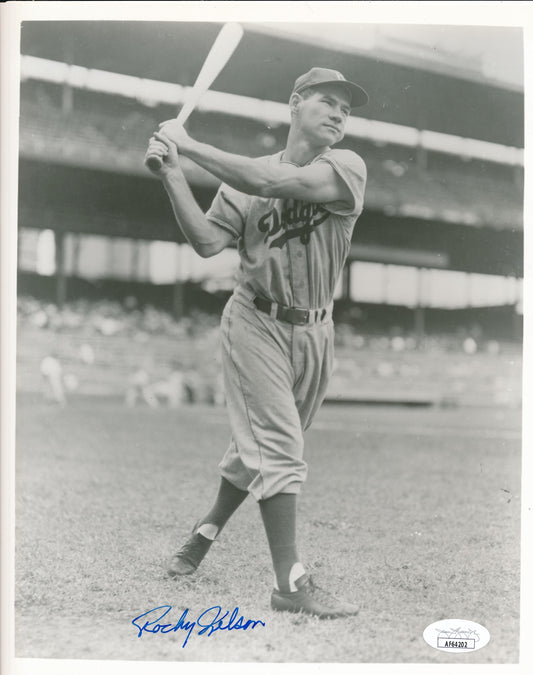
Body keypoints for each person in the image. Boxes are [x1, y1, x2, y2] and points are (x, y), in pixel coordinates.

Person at [145, 67, 368, 618]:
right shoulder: (241, 180)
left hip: (317, 330)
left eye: (346, 108)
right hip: (255, 320)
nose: (340, 114)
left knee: (259, 451)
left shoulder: (346, 167)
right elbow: (204, 242)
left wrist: (187, 142)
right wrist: (173, 171)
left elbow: (268, 184)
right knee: (279, 449)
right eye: (328, 101)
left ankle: (203, 533)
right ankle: (290, 586)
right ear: (295, 103)